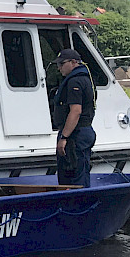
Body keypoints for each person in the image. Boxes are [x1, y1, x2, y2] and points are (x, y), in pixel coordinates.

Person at [50, 47, 96, 187]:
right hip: (82, 132)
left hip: (76, 135)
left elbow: (75, 111)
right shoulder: (85, 79)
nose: (59, 68)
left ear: (73, 62)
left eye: (61, 64)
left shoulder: (74, 82)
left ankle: (77, 206)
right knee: (78, 173)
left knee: (73, 176)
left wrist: (64, 137)